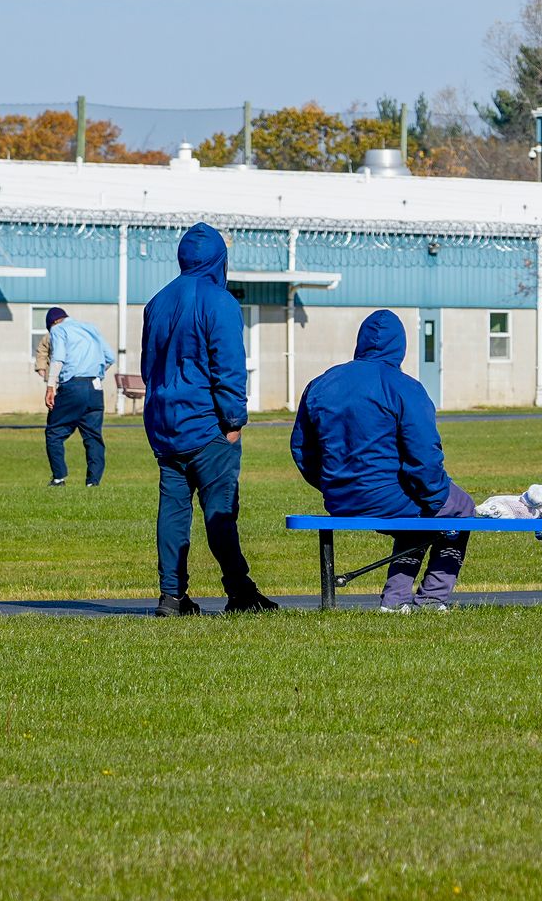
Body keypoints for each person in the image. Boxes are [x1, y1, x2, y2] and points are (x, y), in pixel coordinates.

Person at [291, 310, 470, 612]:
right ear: (399, 346)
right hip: (388, 497)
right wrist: (436, 496)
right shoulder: (404, 387)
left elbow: (302, 449)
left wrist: (331, 484)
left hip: (339, 499)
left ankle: (396, 600)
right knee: (459, 507)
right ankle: (432, 599)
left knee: (420, 516)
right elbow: (424, 454)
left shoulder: (322, 383)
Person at [142, 223, 278, 616]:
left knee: (173, 511)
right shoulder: (219, 302)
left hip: (165, 424)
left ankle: (172, 596)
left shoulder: (158, 302)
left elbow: (149, 367)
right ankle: (240, 591)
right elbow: (228, 367)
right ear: (220, 259)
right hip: (207, 425)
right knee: (220, 511)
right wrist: (234, 421)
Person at [42, 306, 113, 488]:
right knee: (93, 436)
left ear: (52, 323)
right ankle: (93, 482)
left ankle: (59, 478)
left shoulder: (58, 330)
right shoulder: (90, 327)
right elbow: (110, 357)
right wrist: (94, 373)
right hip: (96, 387)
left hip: (73, 385)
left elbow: (58, 358)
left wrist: (51, 385)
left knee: (54, 432)